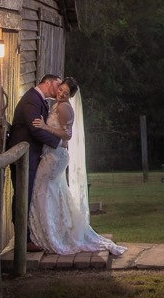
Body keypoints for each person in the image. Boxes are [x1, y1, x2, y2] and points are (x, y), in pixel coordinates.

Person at [28, 77, 126, 256]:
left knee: (42, 190)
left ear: (70, 95)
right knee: (53, 193)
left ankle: (49, 233)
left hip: (55, 157)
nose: (61, 94)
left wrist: (44, 126)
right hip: (53, 154)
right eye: (60, 90)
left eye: (66, 93)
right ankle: (55, 230)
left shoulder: (65, 107)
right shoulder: (57, 104)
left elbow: (67, 135)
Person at [6, 74, 64, 252]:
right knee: (23, 195)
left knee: (29, 195)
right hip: (24, 156)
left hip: (31, 155)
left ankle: (28, 237)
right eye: (57, 85)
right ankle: (23, 240)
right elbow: (34, 129)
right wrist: (57, 142)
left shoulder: (41, 100)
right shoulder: (32, 99)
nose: (59, 89)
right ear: (47, 83)